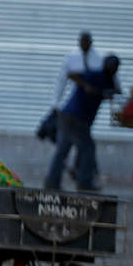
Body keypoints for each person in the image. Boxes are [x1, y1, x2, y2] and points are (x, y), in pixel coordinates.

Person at [45, 55, 121, 191]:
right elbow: (71, 74)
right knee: (88, 148)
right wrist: (86, 86)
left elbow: (117, 90)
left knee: (63, 150)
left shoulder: (108, 80)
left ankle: (52, 181)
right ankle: (84, 182)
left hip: (74, 117)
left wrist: (107, 91)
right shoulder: (94, 74)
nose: (113, 71)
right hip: (74, 117)